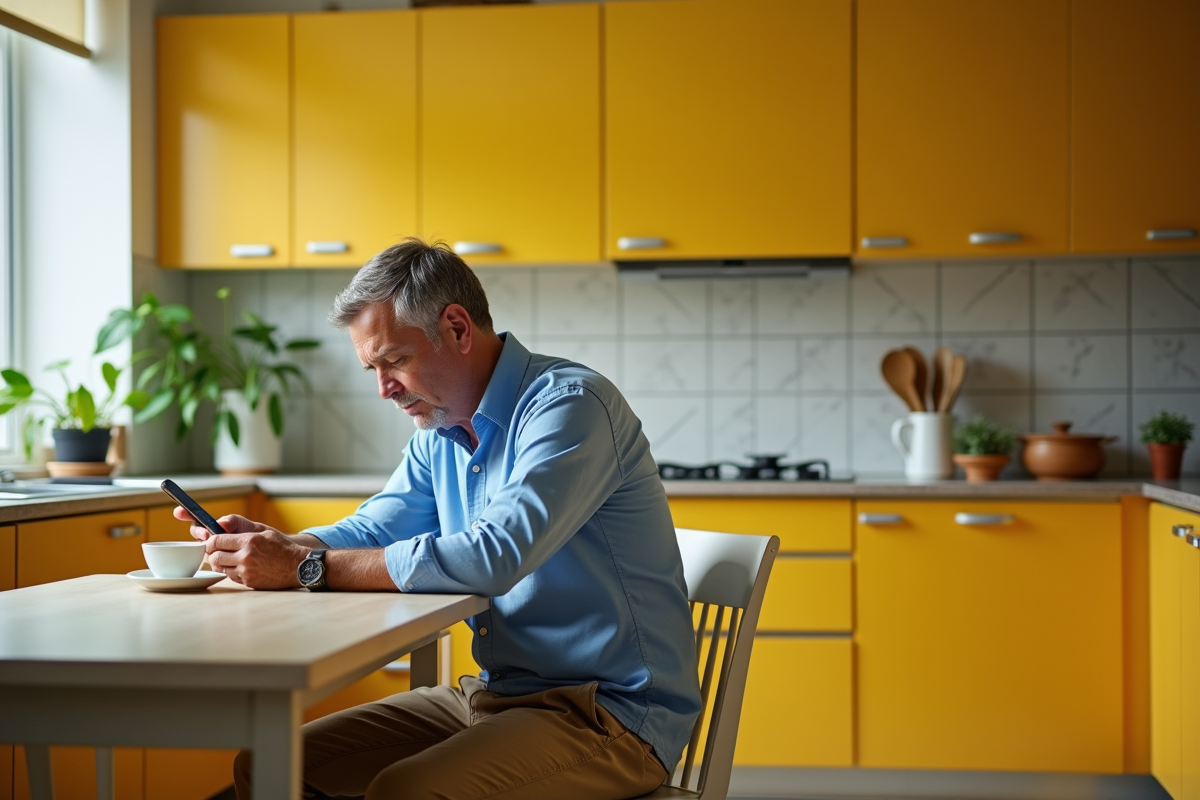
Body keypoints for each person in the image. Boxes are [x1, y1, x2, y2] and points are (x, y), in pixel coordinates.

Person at [175, 239, 702, 800]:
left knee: (406, 791)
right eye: (372, 368)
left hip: (607, 715)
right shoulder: (441, 433)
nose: (384, 389)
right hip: (493, 696)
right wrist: (286, 544)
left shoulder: (570, 406)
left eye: (395, 361)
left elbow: (495, 555)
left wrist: (306, 567)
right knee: (272, 767)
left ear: (456, 327)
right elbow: (377, 527)